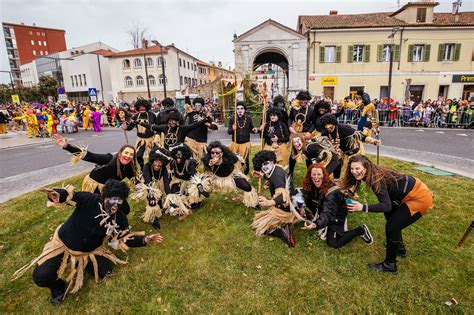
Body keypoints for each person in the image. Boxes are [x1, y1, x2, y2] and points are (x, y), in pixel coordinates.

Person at [12, 180, 163, 305]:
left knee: (106, 272)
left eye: (119, 200)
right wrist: (59, 194)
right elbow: (70, 196)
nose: (115, 205)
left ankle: (80, 264)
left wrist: (145, 239)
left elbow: (124, 238)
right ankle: (58, 287)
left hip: (89, 253)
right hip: (62, 246)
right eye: (112, 199)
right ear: (104, 197)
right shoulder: (89, 199)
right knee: (41, 276)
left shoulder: (120, 218)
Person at [340, 155, 433, 274]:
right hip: (408, 193)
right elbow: (387, 207)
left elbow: (386, 205)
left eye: (357, 168)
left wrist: (363, 207)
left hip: (419, 198)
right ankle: (399, 248)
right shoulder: (370, 173)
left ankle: (390, 265)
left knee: (392, 227)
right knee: (390, 218)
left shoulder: (375, 179)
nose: (354, 172)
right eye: (352, 169)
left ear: (366, 167)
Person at [301, 164, 373, 249]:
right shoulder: (311, 183)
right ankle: (319, 218)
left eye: (319, 174)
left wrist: (316, 224)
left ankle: (361, 230)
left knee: (333, 243)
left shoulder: (332, 193)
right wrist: (301, 205)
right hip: (323, 208)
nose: (316, 177)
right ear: (310, 175)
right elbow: (304, 193)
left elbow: (328, 213)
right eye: (313, 174)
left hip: (336, 214)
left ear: (324, 175)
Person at [53, 134, 138, 201]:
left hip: (109, 188)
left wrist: (145, 188)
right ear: (120, 153)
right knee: (94, 206)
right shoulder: (108, 159)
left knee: (124, 208)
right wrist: (67, 146)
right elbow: (89, 156)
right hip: (94, 185)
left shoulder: (129, 168)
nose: (128, 156)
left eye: (131, 154)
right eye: (126, 153)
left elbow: (136, 181)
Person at [251, 150, 296, 247]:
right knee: (259, 222)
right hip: (290, 206)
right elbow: (271, 177)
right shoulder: (276, 169)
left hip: (284, 210)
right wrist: (263, 175)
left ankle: (282, 230)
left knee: (259, 228)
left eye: (266, 163)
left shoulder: (276, 176)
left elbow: (284, 197)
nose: (264, 167)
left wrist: (269, 202)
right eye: (261, 165)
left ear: (272, 161)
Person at [320, 114, 380, 179]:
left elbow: (361, 136)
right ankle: (336, 180)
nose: (329, 129)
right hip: (343, 153)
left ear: (334, 124)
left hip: (356, 152)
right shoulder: (326, 132)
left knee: (358, 171)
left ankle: (371, 178)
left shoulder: (344, 129)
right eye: (327, 127)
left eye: (330, 127)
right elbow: (318, 138)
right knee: (337, 162)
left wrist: (374, 141)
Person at [202, 141, 258, 208]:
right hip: (215, 177)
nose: (215, 154)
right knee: (199, 185)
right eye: (212, 152)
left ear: (222, 153)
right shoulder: (207, 159)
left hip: (232, 176)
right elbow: (206, 171)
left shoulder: (229, 158)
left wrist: (243, 166)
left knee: (247, 187)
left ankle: (253, 203)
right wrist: (210, 165)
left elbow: (239, 160)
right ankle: (196, 203)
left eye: (217, 153)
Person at [168, 143, 210, 211]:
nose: (178, 157)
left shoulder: (189, 163)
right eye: (176, 155)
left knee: (193, 198)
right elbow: (170, 176)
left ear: (184, 155)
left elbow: (194, 177)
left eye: (180, 155)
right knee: (175, 198)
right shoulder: (172, 163)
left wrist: (201, 189)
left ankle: (197, 203)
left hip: (190, 183)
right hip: (178, 182)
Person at [140, 147, 173, 229]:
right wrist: (151, 196)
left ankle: (160, 205)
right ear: (152, 160)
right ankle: (153, 218)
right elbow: (148, 183)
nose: (157, 166)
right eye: (155, 163)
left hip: (158, 182)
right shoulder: (146, 167)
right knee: (152, 201)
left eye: (160, 164)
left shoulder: (164, 169)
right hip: (148, 185)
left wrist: (170, 196)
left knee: (162, 196)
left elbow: (166, 184)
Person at [139, 111, 208, 150]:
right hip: (167, 152)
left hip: (179, 153)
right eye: (169, 121)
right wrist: (140, 123)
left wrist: (205, 119)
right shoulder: (165, 128)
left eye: (173, 121)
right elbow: (152, 127)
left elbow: (194, 125)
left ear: (177, 121)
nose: (171, 122)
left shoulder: (183, 128)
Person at [122, 99, 157, 168]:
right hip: (141, 140)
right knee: (138, 156)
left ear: (147, 107)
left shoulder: (152, 115)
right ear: (138, 108)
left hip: (151, 139)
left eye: (143, 107)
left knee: (153, 156)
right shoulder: (135, 116)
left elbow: (157, 126)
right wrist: (125, 127)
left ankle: (152, 169)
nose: (142, 108)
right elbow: (130, 127)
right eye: (140, 107)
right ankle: (142, 168)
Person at [288, 91, 315, 175]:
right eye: (301, 100)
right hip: (295, 134)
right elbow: (289, 119)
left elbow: (314, 123)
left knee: (308, 155)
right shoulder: (294, 109)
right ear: (299, 99)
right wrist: (290, 127)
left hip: (306, 135)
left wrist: (310, 132)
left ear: (308, 100)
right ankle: (290, 173)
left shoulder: (311, 110)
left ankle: (310, 174)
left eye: (305, 100)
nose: (303, 102)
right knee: (293, 154)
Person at [184, 96, 218, 162]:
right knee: (191, 159)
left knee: (200, 161)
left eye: (199, 105)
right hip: (191, 140)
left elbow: (215, 127)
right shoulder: (191, 113)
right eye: (195, 105)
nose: (197, 107)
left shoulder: (206, 116)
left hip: (201, 141)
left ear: (202, 106)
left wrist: (208, 124)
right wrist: (186, 92)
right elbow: (187, 103)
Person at [228, 101, 258, 175]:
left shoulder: (248, 119)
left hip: (245, 144)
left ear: (244, 110)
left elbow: (251, 129)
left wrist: (254, 130)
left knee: (245, 160)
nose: (239, 110)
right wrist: (232, 129)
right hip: (235, 143)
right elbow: (229, 132)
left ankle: (246, 175)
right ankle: (235, 174)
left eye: (241, 108)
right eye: (238, 109)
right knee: (234, 159)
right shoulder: (232, 119)